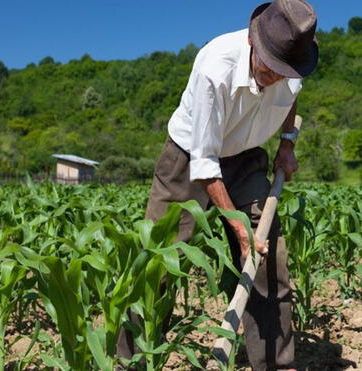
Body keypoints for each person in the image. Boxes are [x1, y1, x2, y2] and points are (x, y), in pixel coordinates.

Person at [116, 1, 318, 369]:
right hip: (189, 158)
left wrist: (286, 143)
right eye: (270, 67)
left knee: (269, 260)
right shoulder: (216, 67)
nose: (276, 76)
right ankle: (131, 362)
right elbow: (205, 163)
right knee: (159, 263)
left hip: (247, 157)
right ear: (254, 43)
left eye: (284, 70)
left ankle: (276, 364)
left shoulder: (294, 63)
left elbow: (291, 98)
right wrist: (238, 230)